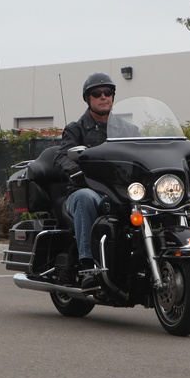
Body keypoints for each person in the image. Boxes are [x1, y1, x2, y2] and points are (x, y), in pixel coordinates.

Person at [54, 72, 119, 289]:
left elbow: (143, 150)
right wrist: (74, 170)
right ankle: (87, 265)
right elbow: (62, 156)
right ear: (88, 98)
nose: (103, 97)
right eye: (97, 93)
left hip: (118, 192)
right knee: (85, 198)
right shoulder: (76, 129)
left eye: (108, 92)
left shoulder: (125, 129)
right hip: (83, 190)